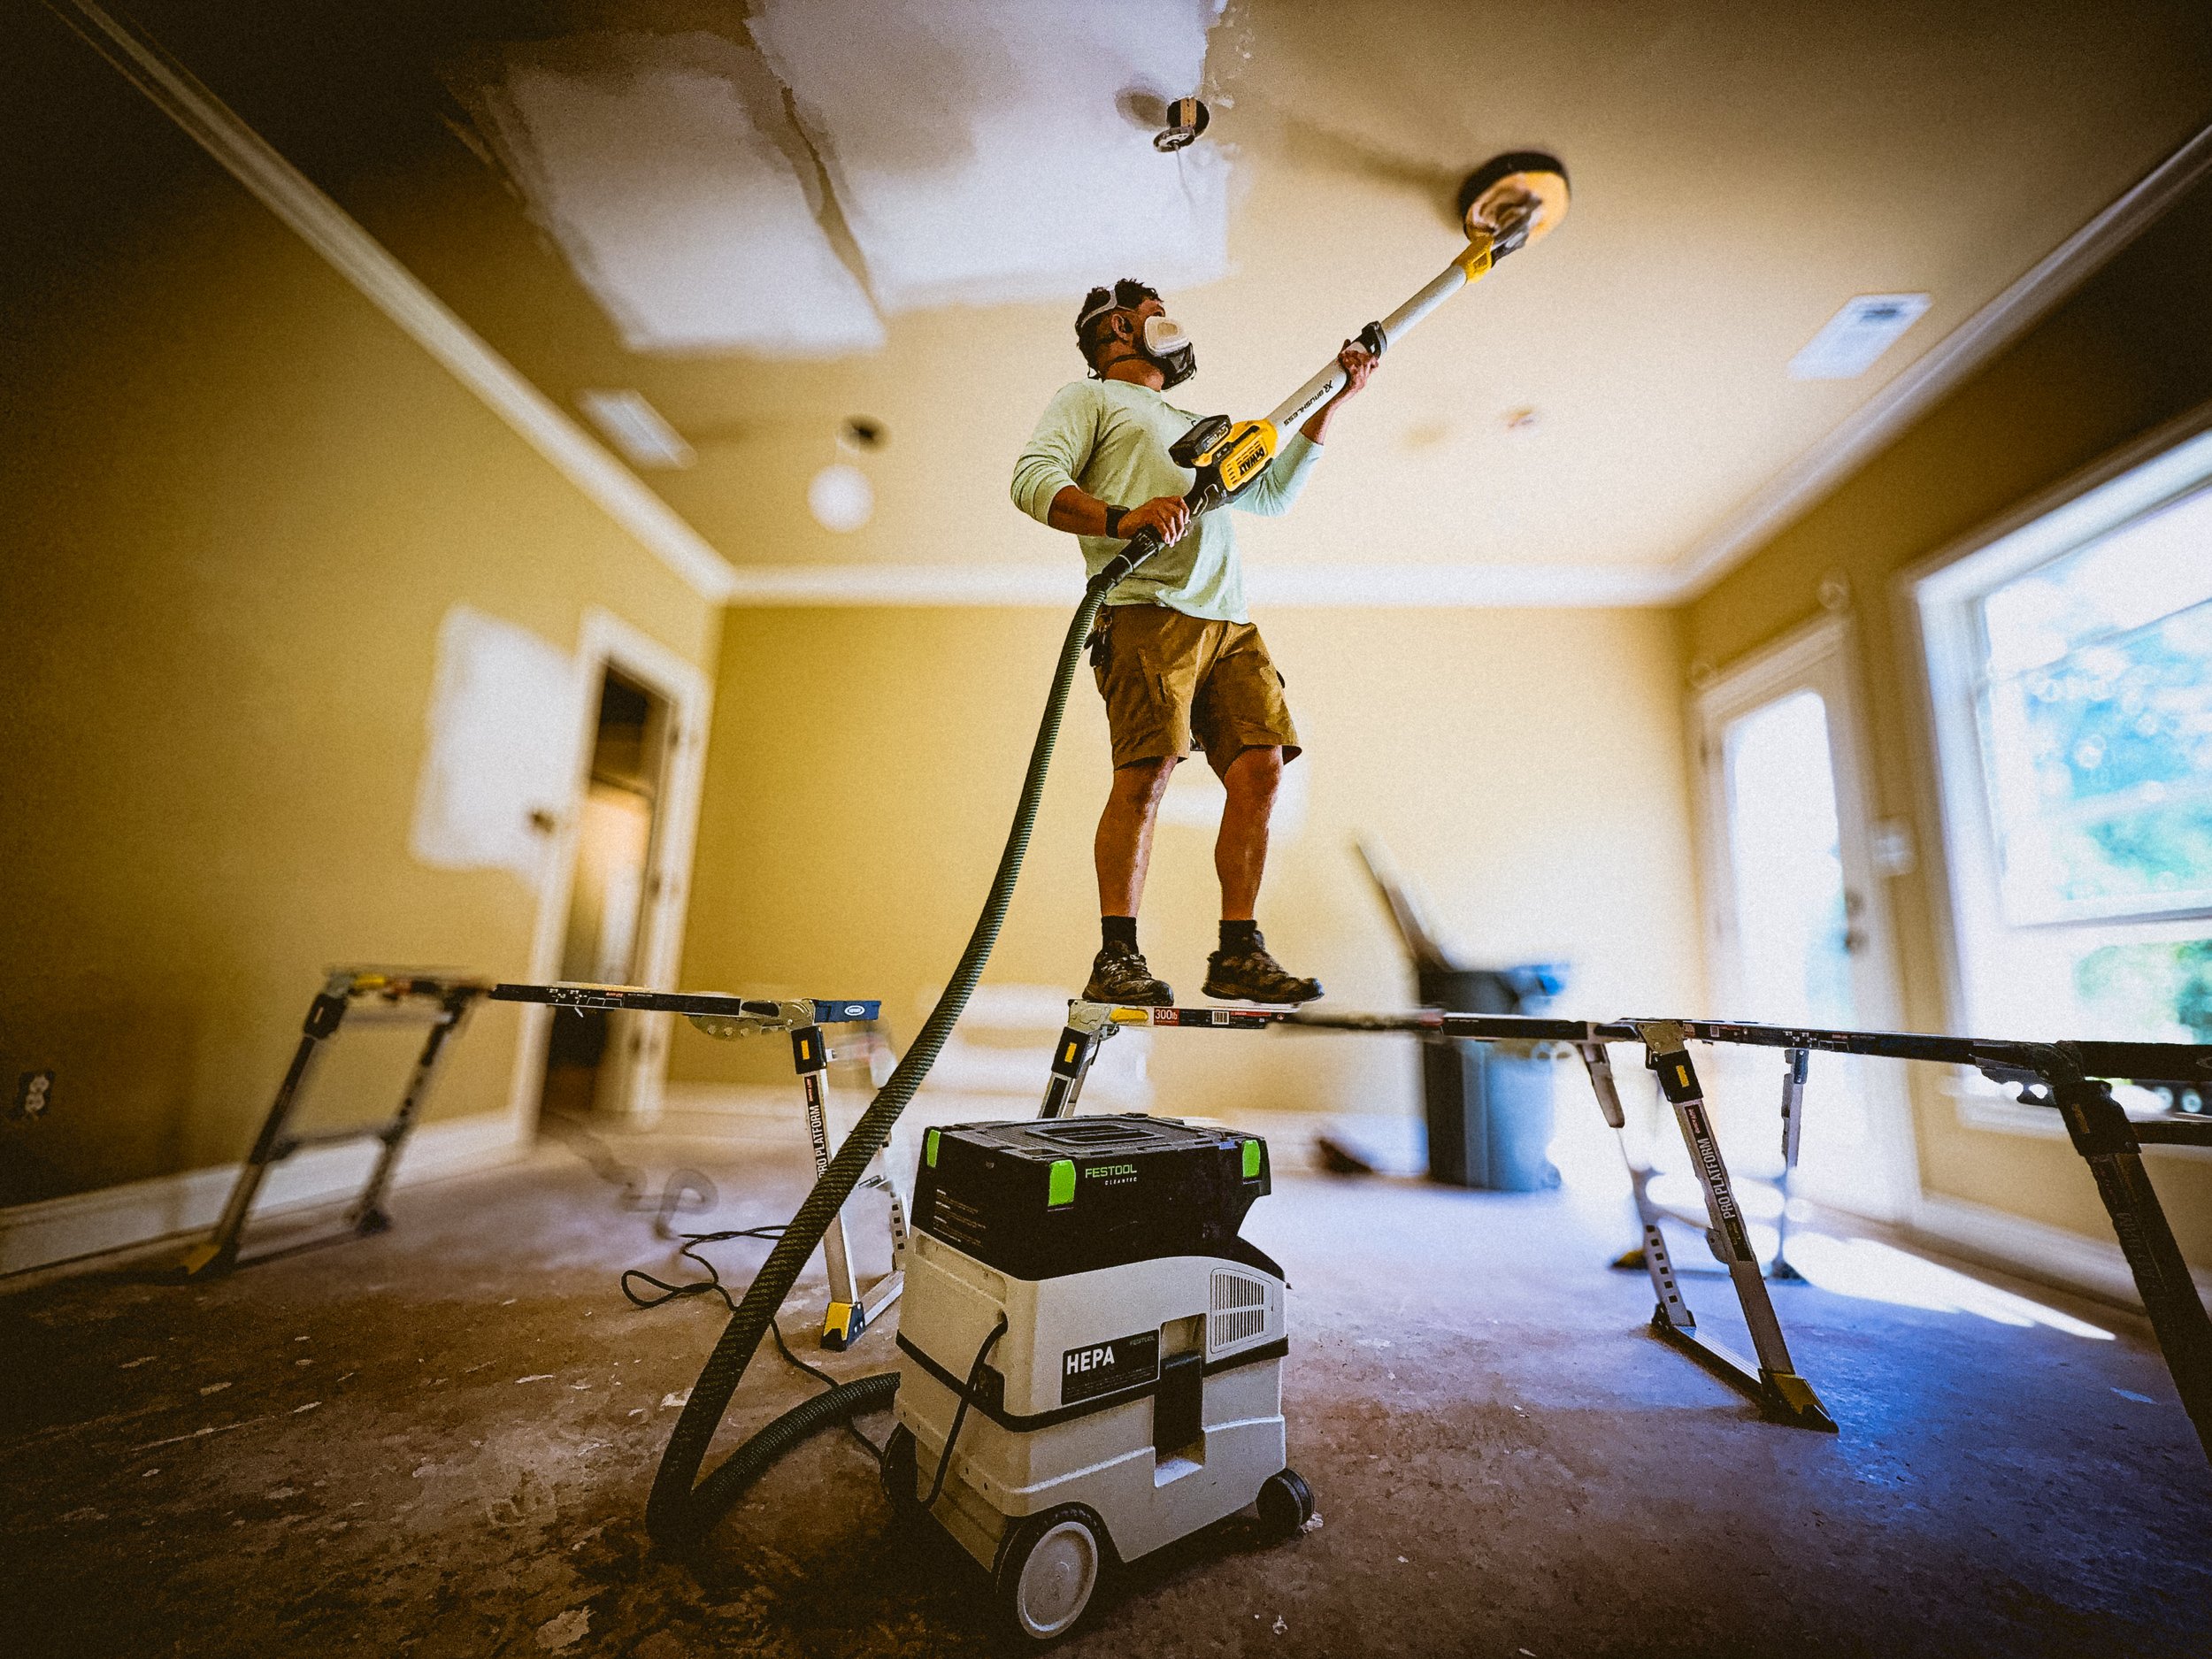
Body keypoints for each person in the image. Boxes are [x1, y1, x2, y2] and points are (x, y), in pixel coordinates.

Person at [1010, 278, 1378, 1006]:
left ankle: (1237, 950)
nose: (1171, 325)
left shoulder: (1190, 422)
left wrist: (1333, 400)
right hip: (1146, 610)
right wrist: (1123, 518)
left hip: (1230, 622)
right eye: (1155, 315)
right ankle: (1117, 956)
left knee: (1262, 770)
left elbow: (1270, 493)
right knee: (1147, 773)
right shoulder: (1090, 400)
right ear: (1118, 328)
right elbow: (1032, 481)